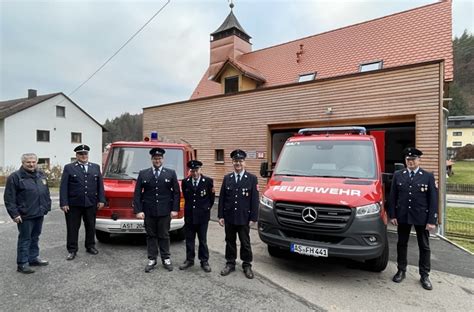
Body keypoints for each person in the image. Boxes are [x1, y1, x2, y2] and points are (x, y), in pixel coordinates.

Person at [388, 147, 438, 290]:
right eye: (408, 160)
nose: (410, 162)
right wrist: (393, 215)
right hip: (403, 216)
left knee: (424, 246)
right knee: (401, 244)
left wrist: (431, 220)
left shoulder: (427, 176)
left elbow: (433, 200)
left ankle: (424, 275)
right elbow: (393, 197)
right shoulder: (398, 174)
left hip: (421, 217)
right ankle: (401, 270)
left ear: (419, 160)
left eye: (413, 159)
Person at [133, 147, 180, 273]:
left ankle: (166, 258)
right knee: (151, 235)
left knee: (164, 235)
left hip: (165, 211)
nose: (157, 160)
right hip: (148, 211)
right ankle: (152, 259)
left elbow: (176, 193)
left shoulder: (170, 173)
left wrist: (175, 209)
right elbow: (137, 193)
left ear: (163, 159)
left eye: (159, 158)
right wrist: (138, 210)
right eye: (155, 158)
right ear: (151, 159)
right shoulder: (143, 173)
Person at [4, 153, 51, 273]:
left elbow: (45, 191)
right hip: (25, 214)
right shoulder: (15, 177)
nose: (31, 164)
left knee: (35, 237)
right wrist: (14, 214)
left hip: (39, 212)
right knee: (25, 239)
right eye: (28, 162)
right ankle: (22, 263)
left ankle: (33, 258)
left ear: (36, 162)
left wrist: (47, 206)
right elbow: (9, 198)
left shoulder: (41, 175)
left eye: (33, 162)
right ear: (23, 163)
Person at [218, 149, 259, 279]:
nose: (238, 163)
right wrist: (220, 216)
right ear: (232, 162)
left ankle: (247, 265)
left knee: (245, 242)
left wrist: (253, 217)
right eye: (235, 161)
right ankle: (230, 263)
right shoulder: (227, 178)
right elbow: (222, 199)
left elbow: (254, 200)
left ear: (244, 162)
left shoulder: (252, 179)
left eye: (240, 161)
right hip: (229, 217)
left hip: (244, 218)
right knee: (230, 241)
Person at [60, 144, 105, 260]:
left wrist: (101, 199)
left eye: (85, 154)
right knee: (72, 227)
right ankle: (72, 250)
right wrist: (64, 203)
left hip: (91, 203)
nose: (83, 156)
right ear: (76, 155)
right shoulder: (69, 168)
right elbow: (63, 186)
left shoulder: (95, 167)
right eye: (81, 154)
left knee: (90, 225)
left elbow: (100, 185)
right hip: (73, 204)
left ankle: (90, 246)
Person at [179, 160, 215, 273]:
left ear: (200, 170)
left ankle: (204, 261)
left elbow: (211, 198)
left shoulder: (208, 181)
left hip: (202, 216)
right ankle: (189, 260)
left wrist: (205, 208)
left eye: (196, 170)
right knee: (189, 239)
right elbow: (186, 197)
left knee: (202, 240)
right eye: (192, 171)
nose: (194, 173)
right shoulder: (185, 182)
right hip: (190, 216)